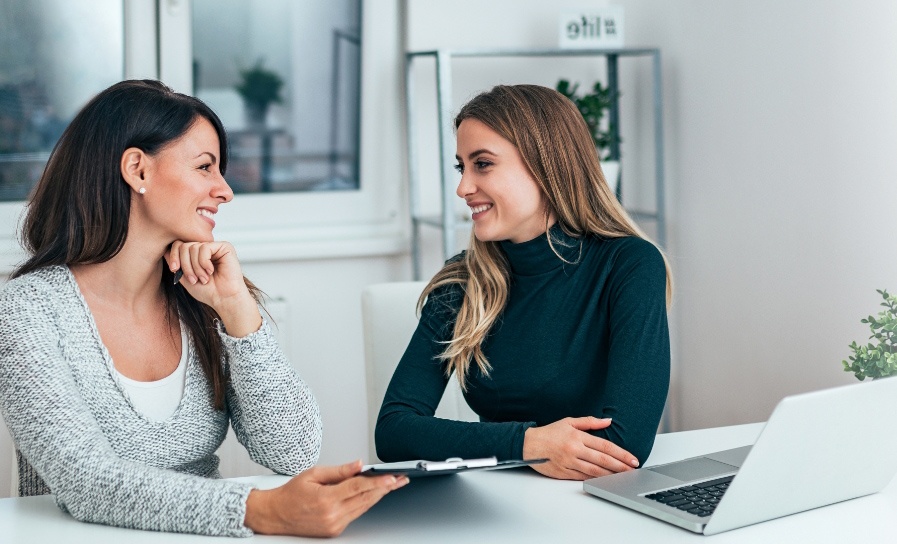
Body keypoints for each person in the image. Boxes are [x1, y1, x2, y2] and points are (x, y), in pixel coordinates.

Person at [0, 80, 406, 538]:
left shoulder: (201, 299)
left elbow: (294, 451)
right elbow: (85, 480)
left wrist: (237, 311)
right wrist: (260, 510)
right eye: (205, 167)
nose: (225, 191)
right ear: (138, 170)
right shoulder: (27, 310)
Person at [375, 84, 671, 481]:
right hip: (491, 505)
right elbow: (394, 431)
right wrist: (527, 444)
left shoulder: (629, 265)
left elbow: (623, 447)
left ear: (545, 165)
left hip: (596, 505)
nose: (463, 188)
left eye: (483, 164)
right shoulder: (462, 282)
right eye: (462, 167)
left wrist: (488, 444)